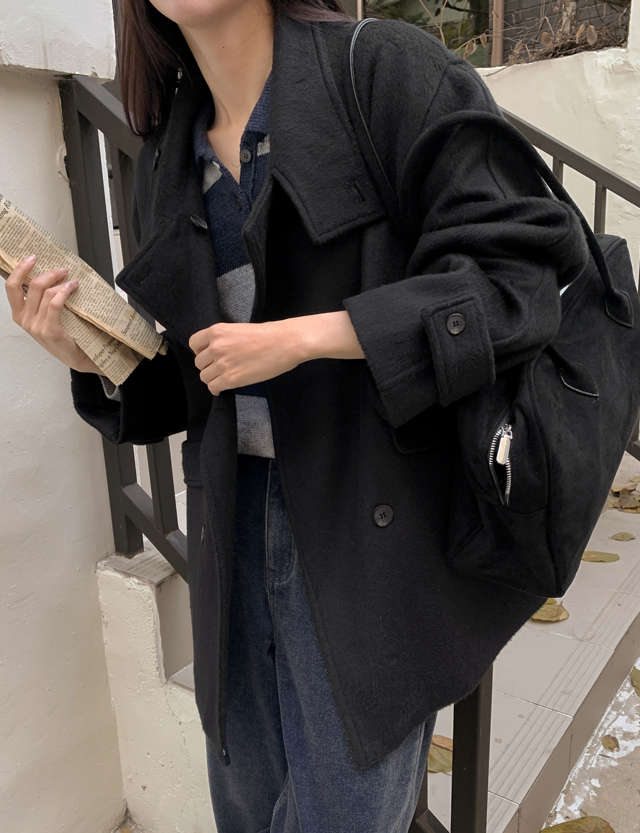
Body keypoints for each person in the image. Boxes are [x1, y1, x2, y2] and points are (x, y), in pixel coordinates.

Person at [5, 1, 590, 831]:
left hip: (370, 531)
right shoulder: (170, 148)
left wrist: (310, 336)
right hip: (232, 527)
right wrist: (85, 353)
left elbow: (521, 276)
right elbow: (201, 379)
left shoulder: (382, 70)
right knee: (247, 806)